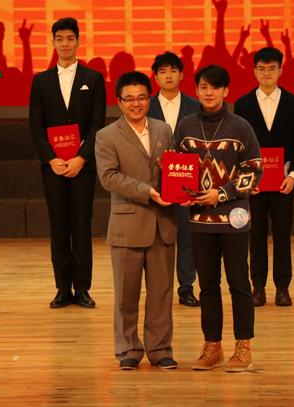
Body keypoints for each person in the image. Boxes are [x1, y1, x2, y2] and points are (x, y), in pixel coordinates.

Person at [175, 65, 263, 372]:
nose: (208, 92)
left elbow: (254, 171)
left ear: (226, 91)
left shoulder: (240, 127)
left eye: (215, 87)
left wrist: (222, 194)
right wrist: (174, 182)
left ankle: (244, 346)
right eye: (203, 87)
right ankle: (213, 346)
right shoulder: (186, 126)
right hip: (199, 221)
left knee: (239, 284)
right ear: (196, 90)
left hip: (234, 220)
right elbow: (177, 167)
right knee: (208, 286)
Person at [95, 71, 178, 371]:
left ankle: (159, 349)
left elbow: (173, 168)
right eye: (129, 98)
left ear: (149, 99)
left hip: (162, 224)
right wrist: (148, 192)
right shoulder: (106, 135)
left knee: (162, 293)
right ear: (119, 101)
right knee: (126, 295)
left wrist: (175, 181)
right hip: (127, 225)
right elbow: (109, 177)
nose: (136, 103)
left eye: (142, 97)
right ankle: (128, 349)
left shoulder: (164, 129)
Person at [29, 17, 106, 308]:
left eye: (70, 38)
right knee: (59, 227)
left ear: (78, 42)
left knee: (82, 227)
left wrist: (81, 158)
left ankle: (82, 288)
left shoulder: (93, 78)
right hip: (54, 168)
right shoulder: (41, 81)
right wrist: (51, 159)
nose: (65, 43)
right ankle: (63, 288)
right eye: (59, 38)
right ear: (53, 43)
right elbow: (36, 125)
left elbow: (97, 124)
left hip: (82, 166)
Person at [234, 47, 294, 306]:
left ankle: (283, 288)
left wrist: (293, 176)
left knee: (282, 235)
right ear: (254, 71)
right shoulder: (242, 104)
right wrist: (246, 179)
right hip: (253, 184)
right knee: (256, 236)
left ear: (280, 71)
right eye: (262, 69)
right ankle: (258, 287)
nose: (267, 73)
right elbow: (238, 145)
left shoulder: (293, 102)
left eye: (272, 68)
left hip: (283, 182)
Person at [146, 51, 201, 307]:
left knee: (187, 235)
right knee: (158, 237)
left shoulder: (195, 105)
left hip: (187, 179)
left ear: (181, 75)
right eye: (162, 71)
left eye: (173, 71)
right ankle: (160, 288)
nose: (168, 75)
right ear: (156, 77)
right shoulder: (146, 105)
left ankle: (186, 287)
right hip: (154, 180)